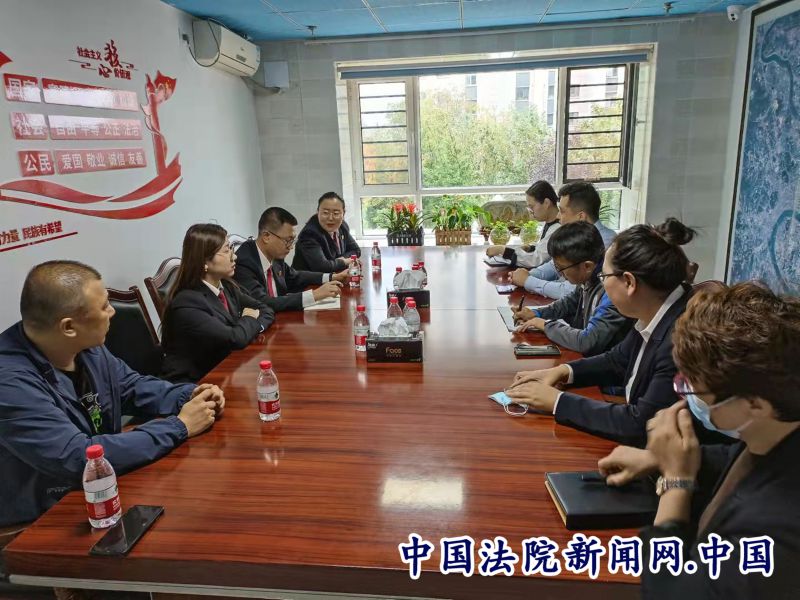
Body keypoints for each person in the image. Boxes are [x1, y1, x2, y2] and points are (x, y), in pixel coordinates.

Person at [596, 282, 800, 598]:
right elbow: (740, 460)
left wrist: (676, 483)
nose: (689, 397)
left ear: (756, 404)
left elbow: (668, 592)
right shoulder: (774, 429)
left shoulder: (775, 531)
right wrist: (658, 459)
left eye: (697, 390)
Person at [0, 261, 224, 527]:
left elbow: (131, 387)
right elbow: (78, 457)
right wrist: (179, 426)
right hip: (47, 514)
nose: (112, 312)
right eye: (104, 306)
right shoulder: (9, 381)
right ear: (69, 327)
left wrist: (189, 395)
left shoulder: (86, 346)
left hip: (106, 489)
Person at [506, 218, 697, 446]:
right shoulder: (656, 311)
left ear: (629, 282)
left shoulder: (680, 339)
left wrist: (558, 401)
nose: (601, 283)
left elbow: (641, 424)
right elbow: (617, 360)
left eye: (604, 276)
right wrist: (563, 371)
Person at [161, 224, 275, 383]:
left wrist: (253, 327)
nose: (234, 257)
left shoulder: (226, 286)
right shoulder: (187, 302)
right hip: (194, 385)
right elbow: (234, 339)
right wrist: (249, 318)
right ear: (204, 261)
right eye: (227, 251)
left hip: (225, 370)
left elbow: (265, 309)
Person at [513, 221, 633, 356]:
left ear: (587, 266)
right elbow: (570, 302)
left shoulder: (612, 291)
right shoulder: (589, 276)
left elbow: (588, 341)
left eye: (561, 268)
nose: (560, 274)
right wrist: (537, 313)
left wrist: (545, 325)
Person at [510, 181, 617, 299]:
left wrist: (528, 281)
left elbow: (571, 291)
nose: (557, 216)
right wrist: (526, 275)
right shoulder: (576, 236)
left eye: (562, 211)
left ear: (581, 217)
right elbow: (554, 266)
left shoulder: (605, 244)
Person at [234, 207, 349, 312]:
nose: (291, 247)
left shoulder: (275, 255)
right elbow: (262, 302)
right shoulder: (243, 262)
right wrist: (314, 295)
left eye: (293, 240)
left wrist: (332, 276)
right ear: (266, 236)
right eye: (288, 240)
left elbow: (295, 276)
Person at [485, 180, 560, 269]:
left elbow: (535, 260)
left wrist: (502, 250)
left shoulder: (557, 228)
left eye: (532, 206)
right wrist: (530, 248)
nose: (530, 211)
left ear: (546, 203)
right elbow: (545, 249)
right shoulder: (550, 224)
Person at [292, 192, 361, 273]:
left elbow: (356, 250)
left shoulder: (342, 226)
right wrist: (344, 262)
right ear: (317, 212)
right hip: (310, 280)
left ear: (343, 213)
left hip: (335, 277)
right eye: (325, 213)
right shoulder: (309, 234)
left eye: (336, 213)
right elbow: (322, 267)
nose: (330, 218)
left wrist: (335, 262)